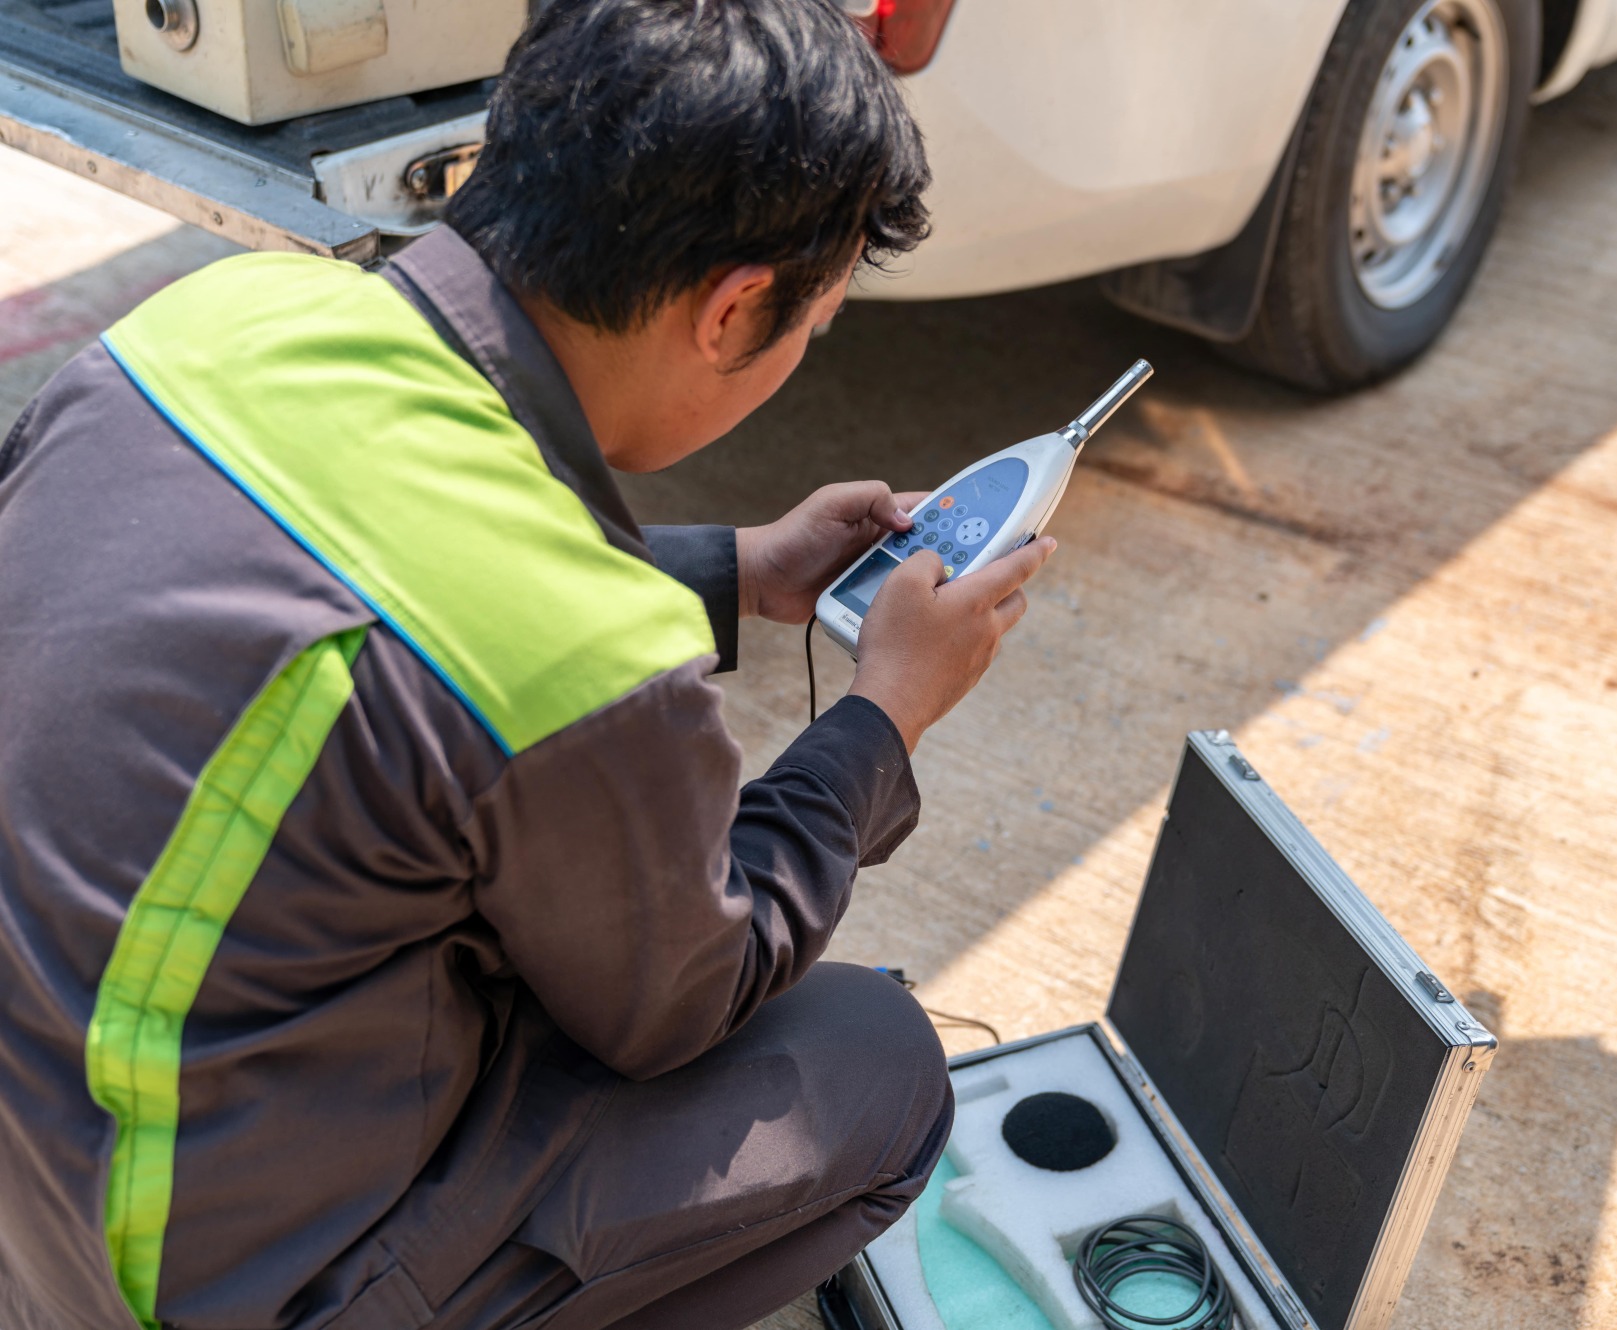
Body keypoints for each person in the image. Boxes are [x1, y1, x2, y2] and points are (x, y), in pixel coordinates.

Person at [0, 1, 1054, 1326]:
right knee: (879, 1063)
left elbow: (384, 582)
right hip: (215, 1290)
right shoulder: (574, 652)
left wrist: (738, 567)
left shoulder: (213, 321)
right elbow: (685, 995)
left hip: (33, 1180)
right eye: (809, 327)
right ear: (732, 314)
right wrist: (887, 714)